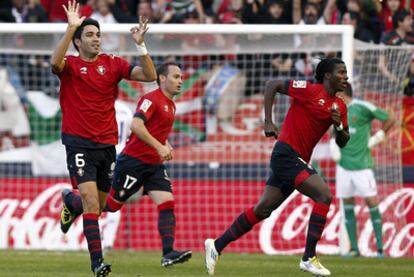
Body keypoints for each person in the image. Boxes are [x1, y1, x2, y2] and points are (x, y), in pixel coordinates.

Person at [204, 57, 350, 276]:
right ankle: (309, 257)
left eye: (346, 74)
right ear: (328, 75)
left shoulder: (340, 106)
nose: (345, 78)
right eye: (341, 73)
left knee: (263, 209)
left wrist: (338, 125)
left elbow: (343, 141)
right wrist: (268, 120)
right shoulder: (309, 90)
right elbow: (272, 84)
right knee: (324, 195)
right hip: (286, 154)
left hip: (297, 160)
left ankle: (216, 246)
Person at [51, 1, 157, 276]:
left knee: (99, 207)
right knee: (91, 202)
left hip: (107, 144)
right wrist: (70, 27)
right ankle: (97, 263)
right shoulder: (71, 65)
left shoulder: (112, 64)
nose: (96, 39)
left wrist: (140, 45)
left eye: (97, 35)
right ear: (77, 42)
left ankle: (69, 201)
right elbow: (54, 63)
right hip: (78, 142)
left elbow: (149, 75)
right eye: (89, 35)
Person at [60, 62, 192, 267]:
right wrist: (159, 146)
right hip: (133, 163)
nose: (181, 81)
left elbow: (155, 129)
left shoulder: (171, 104)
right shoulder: (150, 99)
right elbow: (136, 125)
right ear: (162, 78)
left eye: (181, 77)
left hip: (153, 165)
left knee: (167, 202)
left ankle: (168, 253)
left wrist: (164, 143)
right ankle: (72, 201)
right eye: (176, 76)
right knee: (108, 206)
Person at [330, 83, 396, 258]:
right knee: (348, 206)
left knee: (372, 203)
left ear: (343, 93)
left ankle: (380, 249)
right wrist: (333, 145)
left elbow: (390, 117)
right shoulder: (335, 110)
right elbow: (333, 133)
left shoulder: (362, 107)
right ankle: (354, 250)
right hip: (343, 167)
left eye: (336, 93)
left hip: (362, 167)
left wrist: (379, 136)